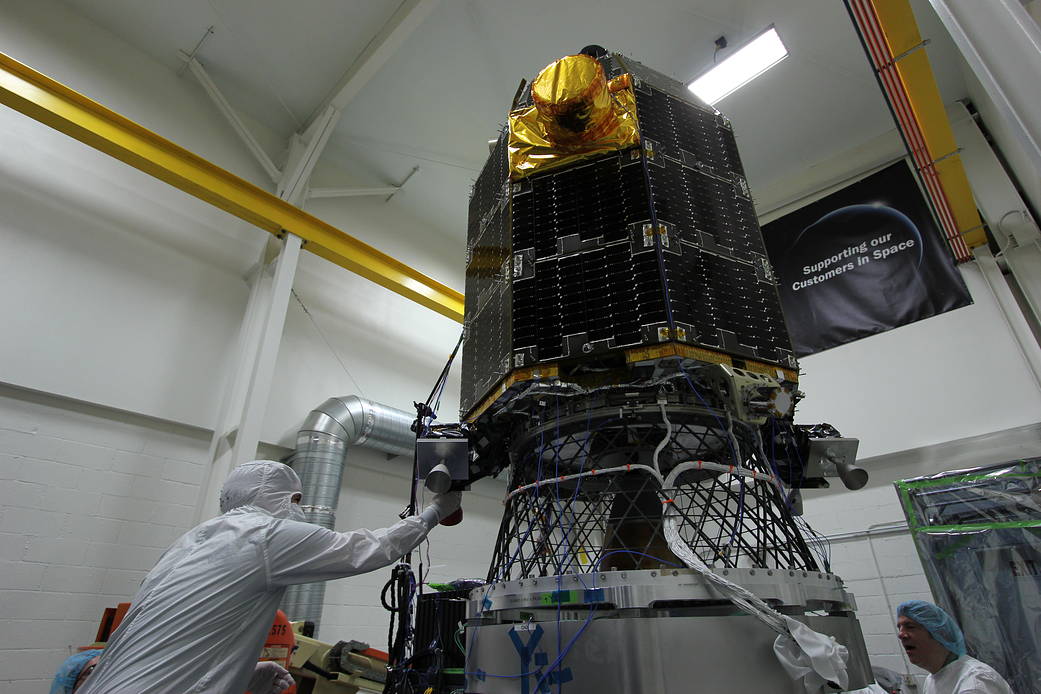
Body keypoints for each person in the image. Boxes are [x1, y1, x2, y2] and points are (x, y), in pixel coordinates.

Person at [77, 460, 461, 694]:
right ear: (275, 498)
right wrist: (434, 513)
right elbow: (363, 549)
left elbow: (184, 636)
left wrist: (240, 675)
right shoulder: (264, 536)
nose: (299, 510)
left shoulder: (192, 541)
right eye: (294, 500)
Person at [896, 600, 1014, 694]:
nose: (900, 635)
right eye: (899, 628)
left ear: (938, 633)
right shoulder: (933, 679)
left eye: (910, 627)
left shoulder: (975, 681)